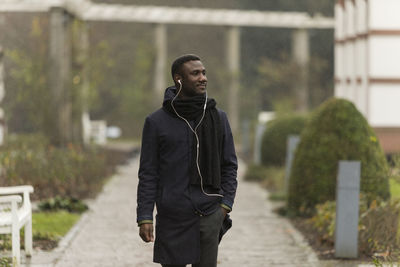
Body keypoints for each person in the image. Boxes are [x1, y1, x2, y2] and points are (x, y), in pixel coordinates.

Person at [137, 54, 238, 267]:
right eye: (195, 73)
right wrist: (145, 216)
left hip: (209, 214)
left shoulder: (218, 118)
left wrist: (224, 207)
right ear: (178, 79)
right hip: (172, 217)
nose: (203, 78)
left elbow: (229, 166)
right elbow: (148, 173)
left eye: (204, 73)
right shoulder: (156, 122)